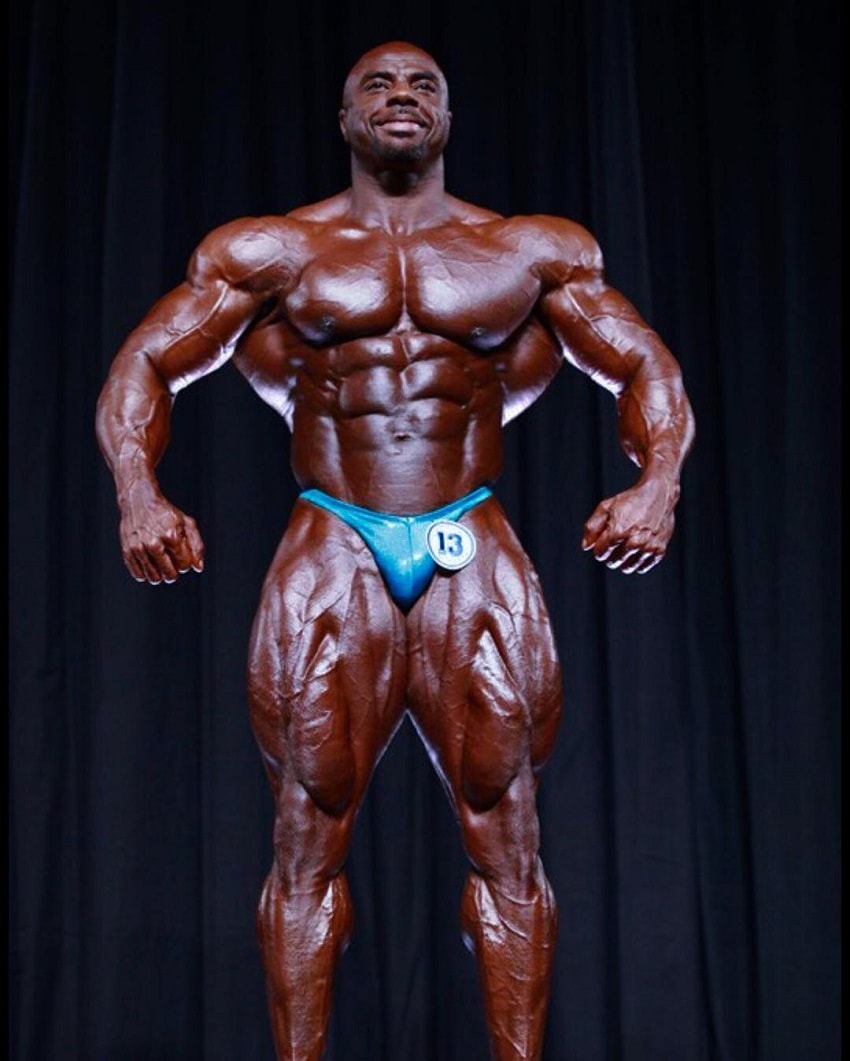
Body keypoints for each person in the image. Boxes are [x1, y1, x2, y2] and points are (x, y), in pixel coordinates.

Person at [96, 40, 695, 1061]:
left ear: (450, 118)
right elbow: (149, 357)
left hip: (473, 533)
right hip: (335, 530)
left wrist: (657, 482)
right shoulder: (275, 251)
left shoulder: (531, 250)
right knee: (306, 821)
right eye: (378, 84)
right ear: (345, 118)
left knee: (507, 827)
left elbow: (641, 362)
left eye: (424, 85)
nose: (402, 97)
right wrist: (138, 493)